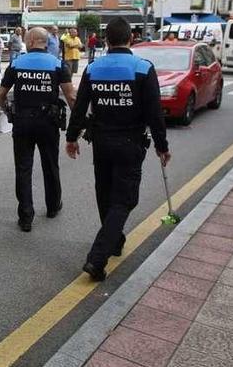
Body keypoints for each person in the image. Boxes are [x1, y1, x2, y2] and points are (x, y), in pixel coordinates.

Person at [66, 17, 171, 281]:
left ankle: (114, 240)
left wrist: (71, 137)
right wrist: (162, 146)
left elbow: (79, 107)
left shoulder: (93, 68)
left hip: (101, 142)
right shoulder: (143, 68)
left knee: (105, 194)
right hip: (130, 143)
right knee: (124, 199)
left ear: (106, 40)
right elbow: (154, 112)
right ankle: (97, 258)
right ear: (131, 39)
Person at [0, 27, 77, 232]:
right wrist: (78, 125)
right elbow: (70, 97)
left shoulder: (16, 64)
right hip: (48, 123)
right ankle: (52, 206)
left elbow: (1, 94)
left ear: (31, 41)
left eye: (26, 39)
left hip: (22, 122)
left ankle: (25, 216)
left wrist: (8, 111)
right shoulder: (58, 64)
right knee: (50, 165)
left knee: (23, 168)